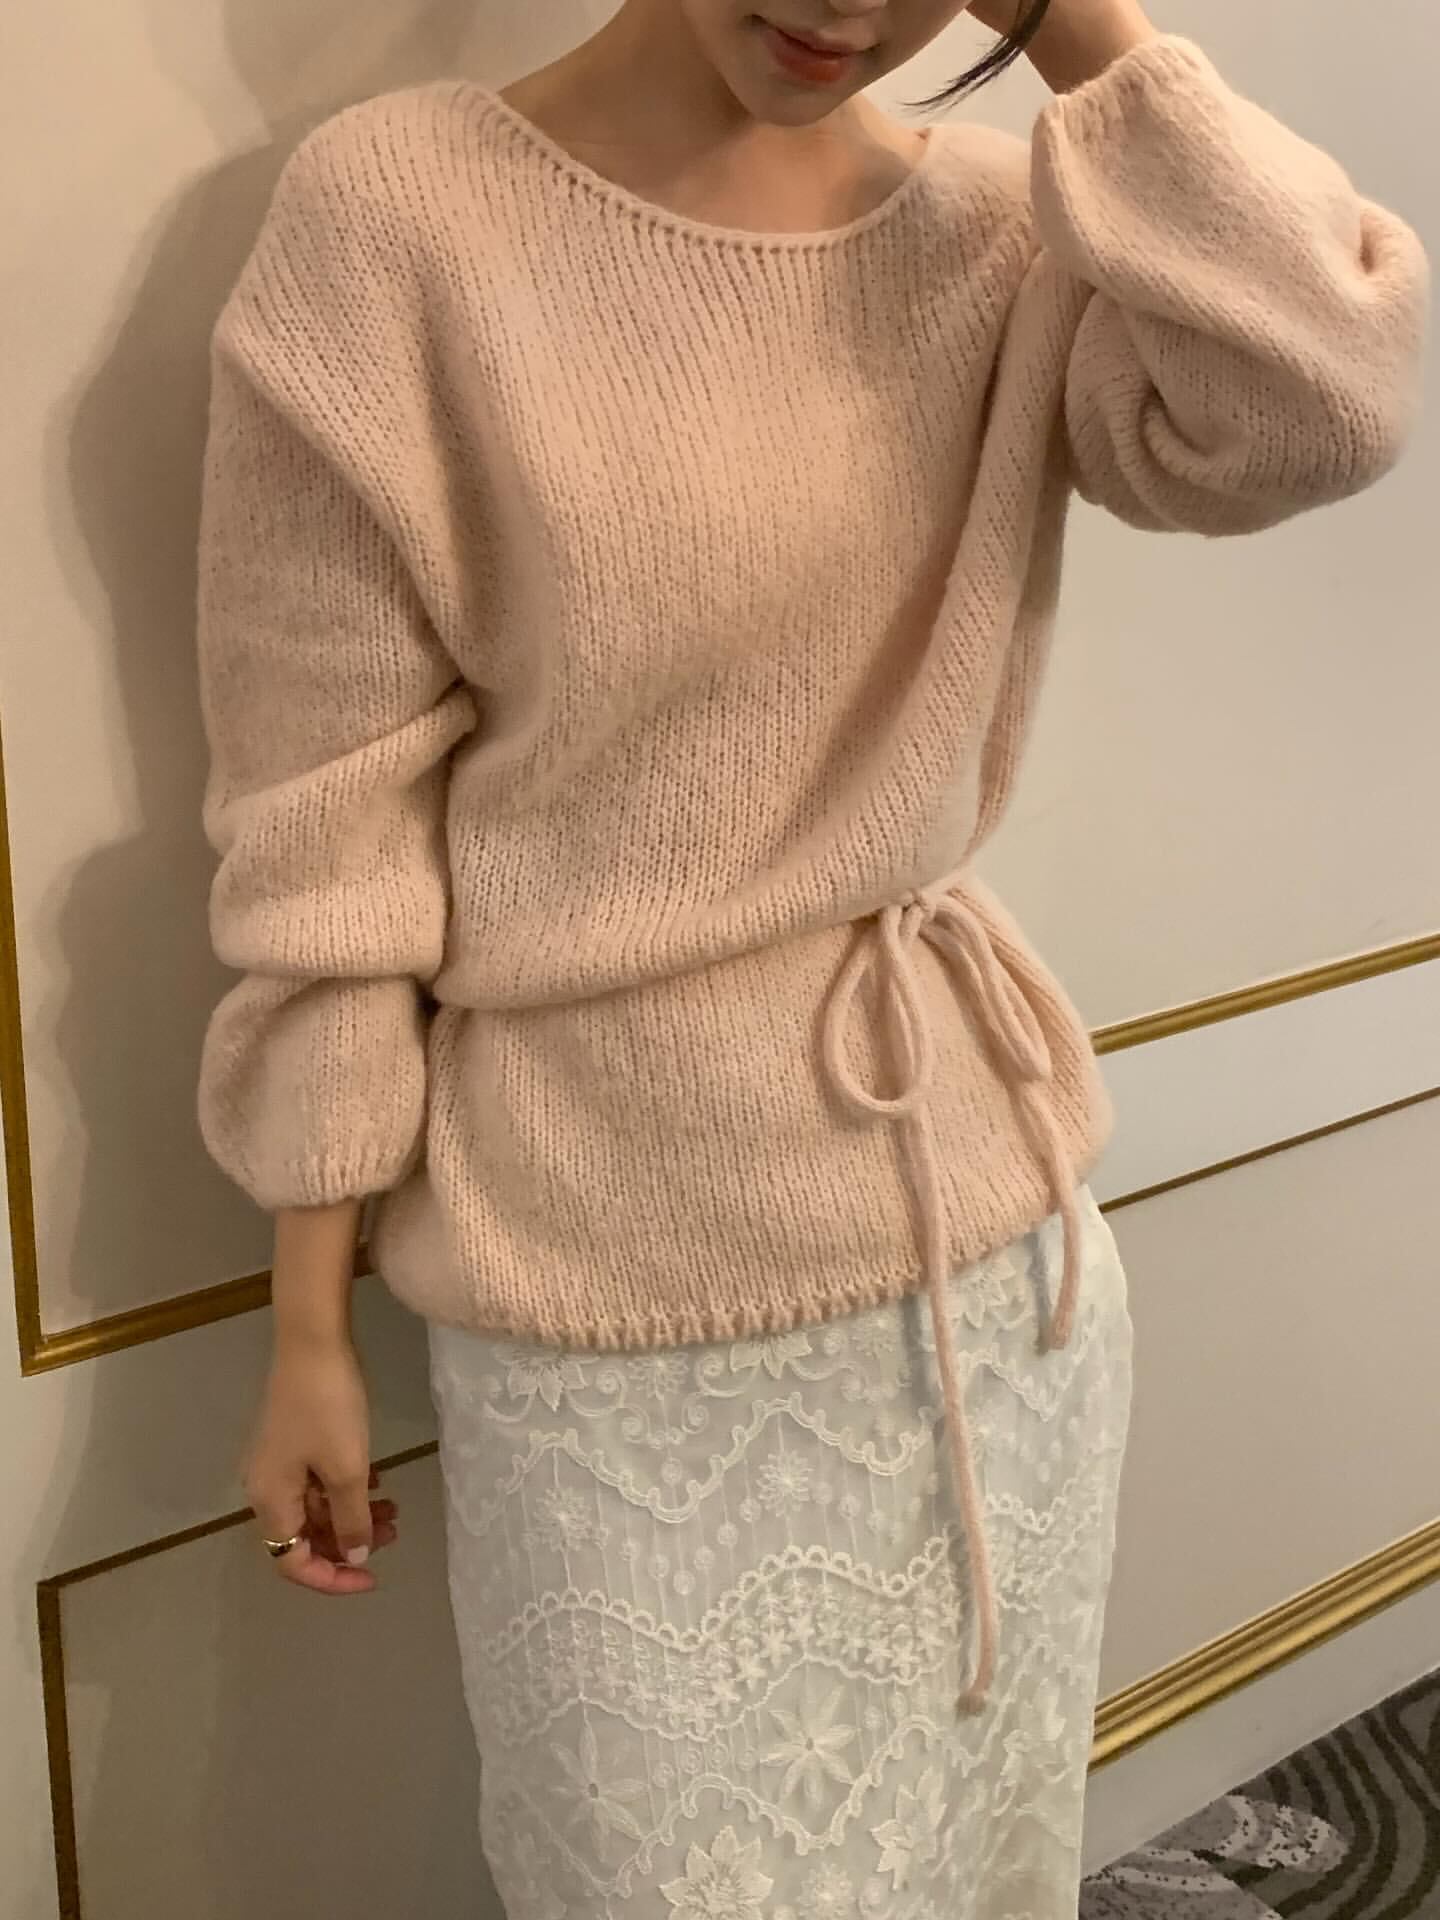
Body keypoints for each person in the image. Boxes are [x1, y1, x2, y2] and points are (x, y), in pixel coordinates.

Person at [193, 1, 1428, 1914]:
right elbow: (325, 821)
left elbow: (1324, 401)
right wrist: (305, 1326)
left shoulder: (1008, 226)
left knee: (979, 1855)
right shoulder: (396, 217)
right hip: (592, 1276)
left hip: (983, 1270)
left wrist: (1080, 34)